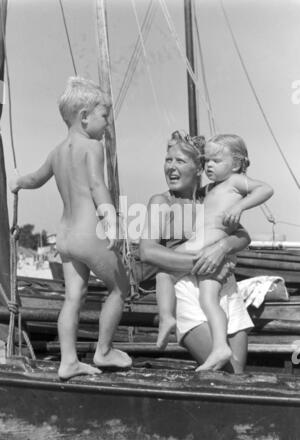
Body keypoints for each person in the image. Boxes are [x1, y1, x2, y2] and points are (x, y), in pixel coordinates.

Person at [9, 76, 132, 379]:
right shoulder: (92, 147)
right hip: (89, 233)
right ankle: (103, 351)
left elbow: (35, 179)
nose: (107, 124)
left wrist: (17, 182)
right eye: (105, 116)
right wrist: (111, 219)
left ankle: (69, 361)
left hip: (64, 235)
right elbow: (96, 184)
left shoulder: (56, 151)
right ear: (84, 116)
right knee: (121, 288)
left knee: (73, 298)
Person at [155, 132, 273, 371]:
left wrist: (225, 245)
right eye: (206, 160)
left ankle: (218, 344)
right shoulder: (195, 195)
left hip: (211, 261)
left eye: (214, 161)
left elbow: (262, 196)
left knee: (208, 300)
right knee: (163, 273)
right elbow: (148, 251)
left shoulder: (230, 185)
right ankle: (167, 317)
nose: (208, 165)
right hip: (196, 261)